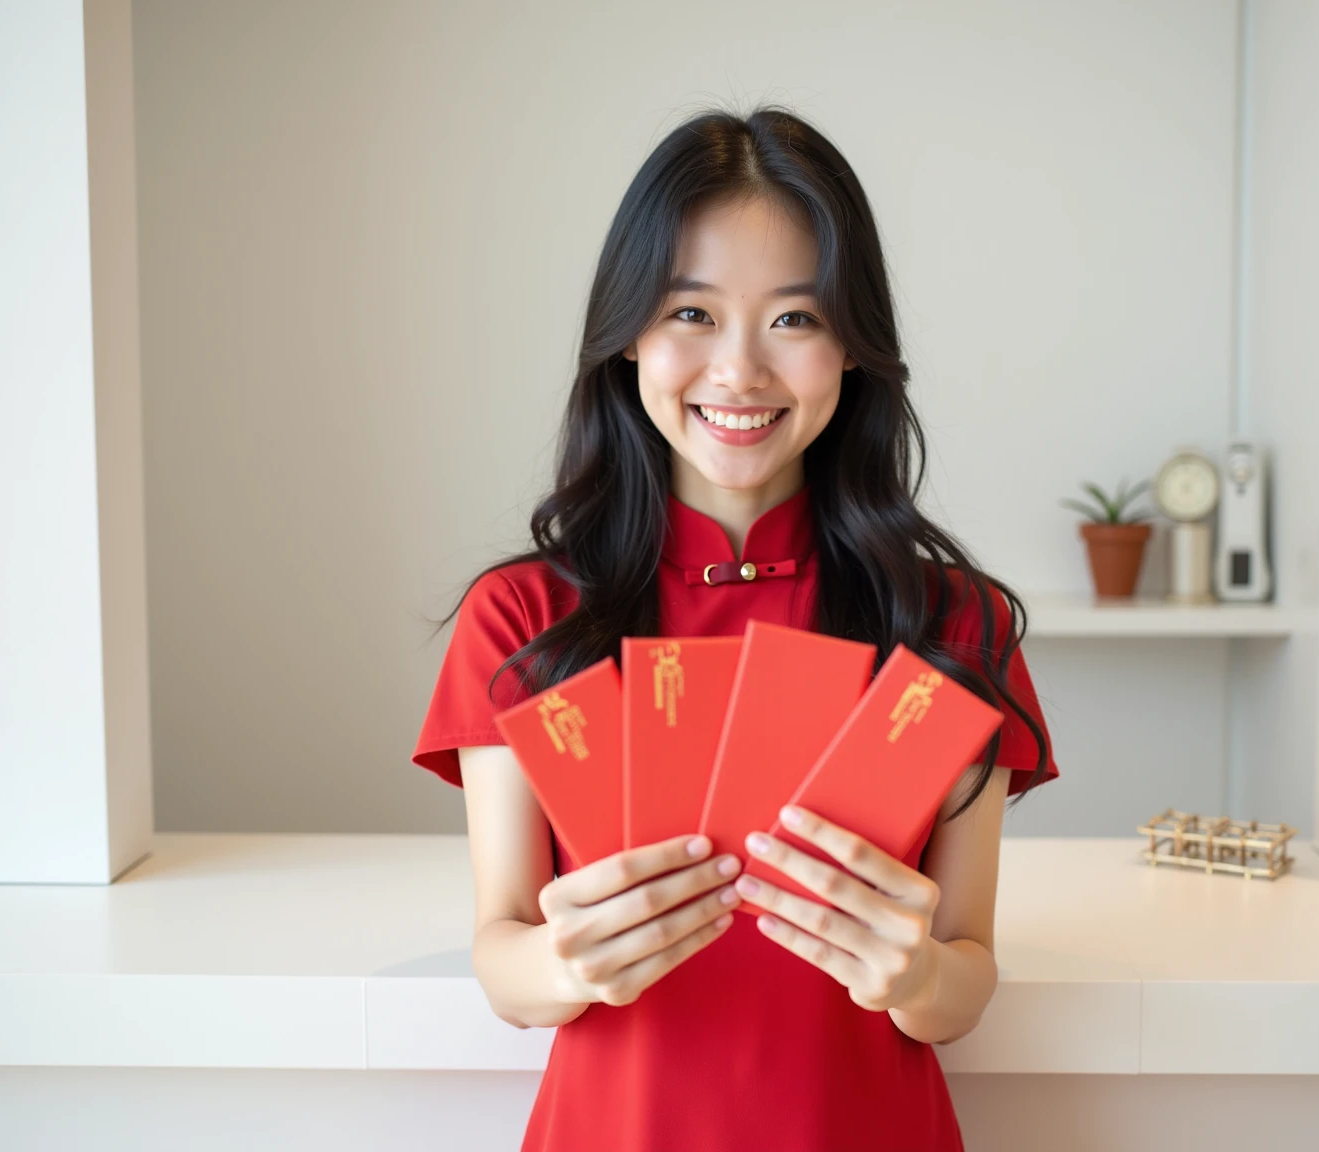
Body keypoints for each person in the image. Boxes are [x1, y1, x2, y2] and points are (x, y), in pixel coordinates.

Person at [411, 104, 1060, 1152]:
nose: (741, 372)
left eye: (795, 319)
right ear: (627, 336)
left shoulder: (950, 623)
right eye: (692, 314)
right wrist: (565, 963)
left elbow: (966, 975)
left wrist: (920, 974)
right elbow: (504, 954)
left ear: (854, 346)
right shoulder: (527, 619)